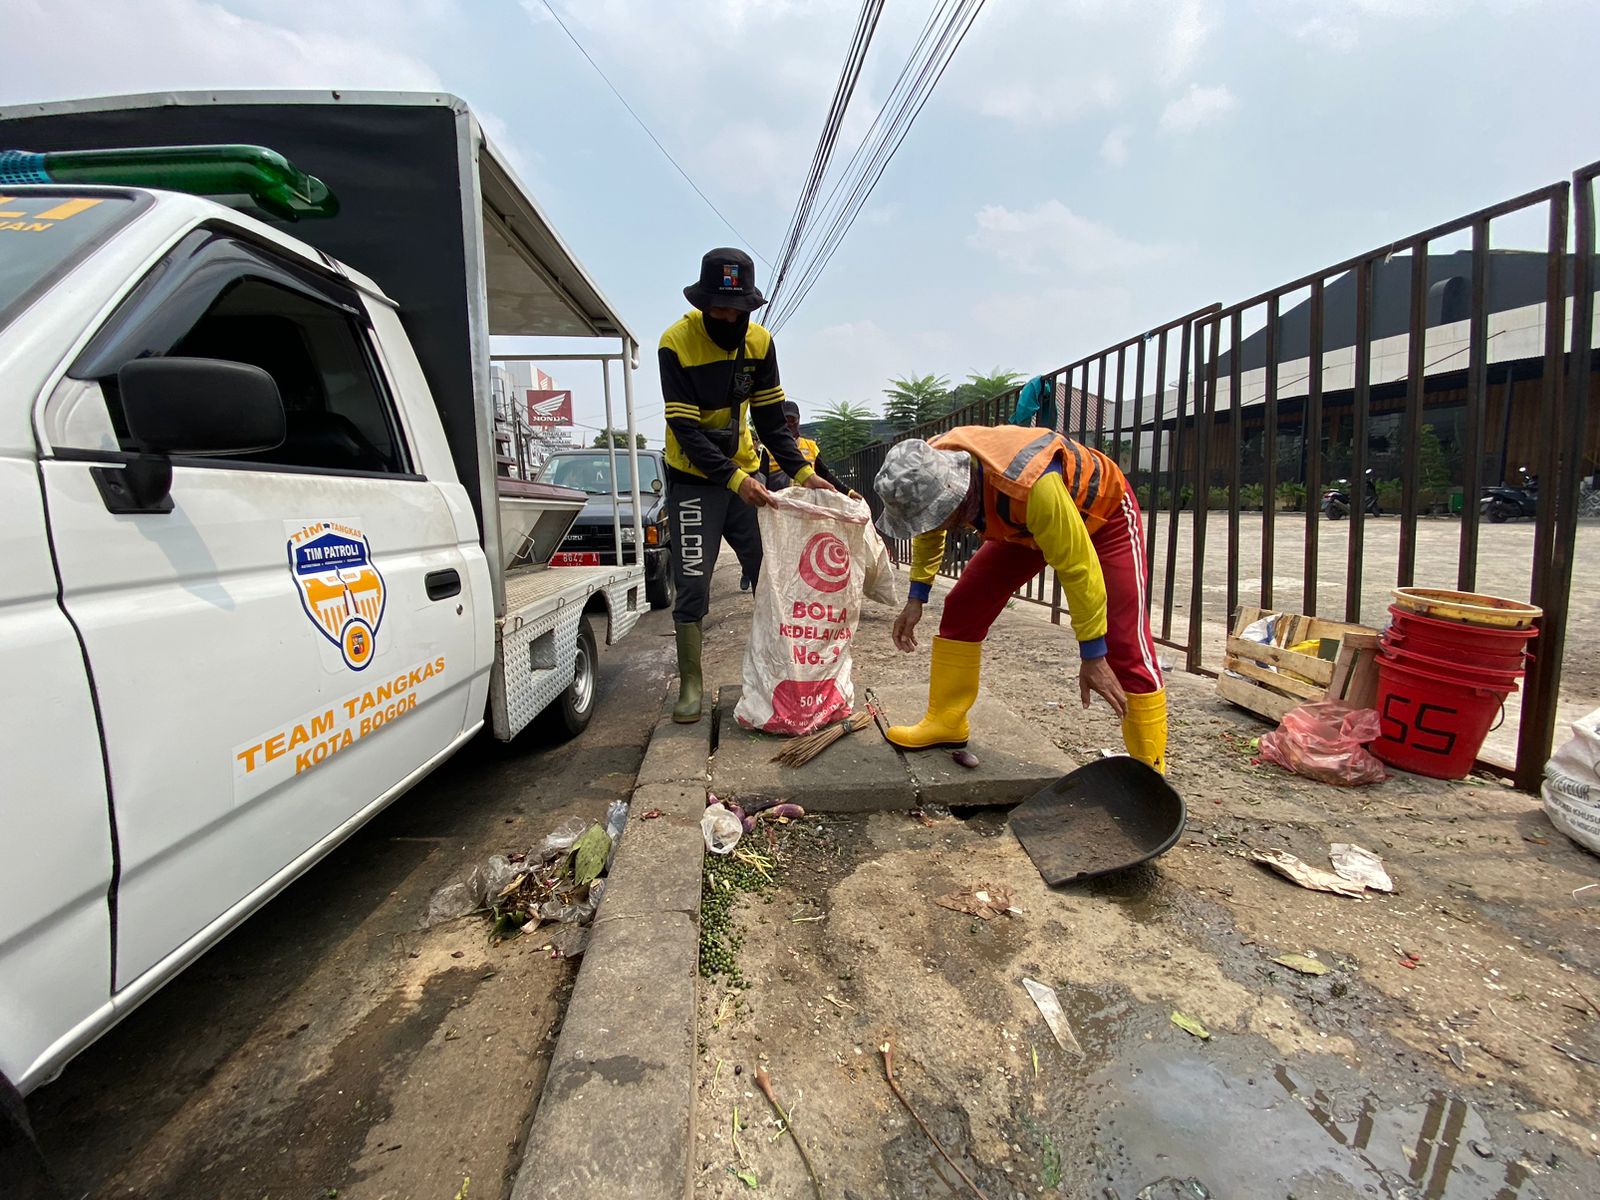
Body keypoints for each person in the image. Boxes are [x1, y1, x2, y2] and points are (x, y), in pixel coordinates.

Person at [873, 425, 1167, 772]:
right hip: (1022, 525)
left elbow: (1077, 565)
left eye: (940, 515)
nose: (936, 524)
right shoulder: (928, 462)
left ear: (958, 494)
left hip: (1102, 516)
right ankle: (946, 721)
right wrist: (916, 595)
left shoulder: (1030, 485)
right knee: (964, 605)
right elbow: (929, 527)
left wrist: (1092, 653)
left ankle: (1149, 772)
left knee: (1123, 642)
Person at [660, 247, 835, 723]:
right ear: (702, 305)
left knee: (769, 574)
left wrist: (802, 472)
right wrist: (736, 480)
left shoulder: (759, 343)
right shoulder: (676, 343)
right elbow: (686, 431)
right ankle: (692, 682)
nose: (728, 317)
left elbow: (773, 421)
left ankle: (777, 670)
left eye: (737, 310)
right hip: (694, 479)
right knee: (693, 581)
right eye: (719, 309)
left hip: (744, 473)